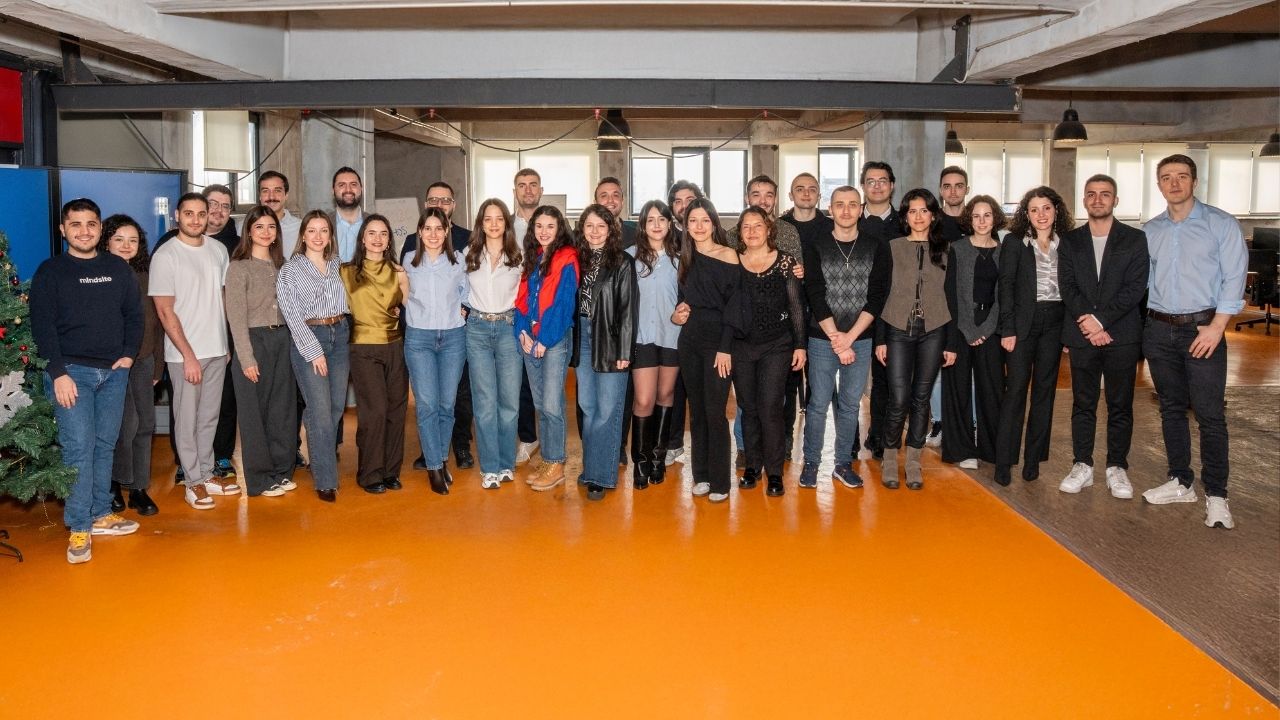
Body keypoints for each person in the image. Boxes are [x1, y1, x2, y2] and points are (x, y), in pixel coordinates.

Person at [32, 198, 143, 564]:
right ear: (63, 230)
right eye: (75, 224)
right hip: (72, 374)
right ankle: (79, 526)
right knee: (79, 449)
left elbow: (134, 315)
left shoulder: (117, 268)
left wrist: (128, 355)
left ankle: (100, 514)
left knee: (104, 445)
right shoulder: (51, 271)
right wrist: (58, 373)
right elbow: (42, 327)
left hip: (113, 373)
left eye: (91, 224)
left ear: (99, 228)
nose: (84, 231)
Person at [1140, 154, 1246, 529]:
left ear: (1195, 182)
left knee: (1209, 414)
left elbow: (1235, 278)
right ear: (1159, 185)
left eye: (1182, 176)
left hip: (1203, 329)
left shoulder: (1221, 224)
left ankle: (1216, 494)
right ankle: (1180, 481)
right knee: (1171, 409)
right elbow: (1142, 283)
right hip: (1158, 329)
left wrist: (1217, 326)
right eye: (1167, 177)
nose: (1174, 183)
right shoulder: (1150, 230)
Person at [1056, 175, 1149, 499]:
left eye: (1105, 194)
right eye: (1091, 194)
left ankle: (1116, 467)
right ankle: (1082, 464)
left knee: (1120, 404)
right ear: (1084, 200)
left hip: (1120, 335)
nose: (1098, 199)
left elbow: (1135, 288)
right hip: (1083, 335)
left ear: (1115, 200)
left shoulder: (1135, 239)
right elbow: (1067, 286)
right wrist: (1089, 323)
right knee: (1083, 403)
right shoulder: (1070, 240)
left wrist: (1101, 321)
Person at [151, 192, 239, 510]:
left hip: (216, 349)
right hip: (184, 355)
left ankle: (206, 472)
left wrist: (225, 343)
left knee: (209, 417)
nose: (196, 219)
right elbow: (164, 311)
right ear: (177, 215)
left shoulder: (218, 250)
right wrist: (187, 355)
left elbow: (223, 299)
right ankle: (192, 481)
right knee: (187, 420)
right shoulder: (166, 254)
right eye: (189, 213)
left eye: (202, 213)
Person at [799, 186, 887, 490]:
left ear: (861, 209)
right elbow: (814, 293)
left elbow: (877, 297)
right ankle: (811, 462)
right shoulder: (816, 246)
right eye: (840, 204)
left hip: (860, 339)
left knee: (850, 406)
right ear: (830, 209)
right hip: (822, 339)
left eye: (852, 205)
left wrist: (850, 337)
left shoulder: (876, 247)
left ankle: (842, 464)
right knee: (818, 404)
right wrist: (837, 338)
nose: (846, 210)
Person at [874, 189, 956, 490]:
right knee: (898, 398)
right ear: (905, 216)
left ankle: (913, 461)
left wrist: (951, 343)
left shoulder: (946, 249)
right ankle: (889, 457)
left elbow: (952, 297)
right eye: (912, 211)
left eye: (924, 211)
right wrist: (880, 339)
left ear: (933, 215)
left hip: (934, 330)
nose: (918, 216)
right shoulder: (892, 248)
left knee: (921, 398)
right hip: (897, 329)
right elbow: (881, 294)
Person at [994, 186, 1072, 486]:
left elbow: (1073, 288)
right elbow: (1006, 286)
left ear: (1056, 210)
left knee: (1045, 393)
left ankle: (1033, 459)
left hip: (1055, 323)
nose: (1041, 215)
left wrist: (1069, 332)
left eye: (1046, 208)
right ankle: (1004, 461)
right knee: (1015, 391)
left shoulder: (1067, 243)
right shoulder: (1015, 242)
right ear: (1026, 213)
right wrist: (1008, 329)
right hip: (1022, 324)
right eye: (1034, 209)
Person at [398, 182, 476, 472]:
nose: (433, 234)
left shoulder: (460, 260)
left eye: (439, 229)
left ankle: (441, 457)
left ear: (447, 231)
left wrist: (463, 309)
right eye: (427, 229)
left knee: (447, 404)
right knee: (427, 404)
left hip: (453, 338)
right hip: (419, 339)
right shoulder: (408, 260)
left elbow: (469, 290)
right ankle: (434, 465)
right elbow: (402, 294)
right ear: (420, 232)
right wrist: (410, 312)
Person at [671, 198, 743, 503]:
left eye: (705, 220)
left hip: (719, 343)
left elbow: (735, 307)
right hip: (689, 340)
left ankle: (721, 482)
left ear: (714, 223)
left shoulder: (729, 255)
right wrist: (677, 315)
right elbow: (681, 300)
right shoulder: (685, 258)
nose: (699, 226)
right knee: (697, 411)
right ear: (685, 226)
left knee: (715, 412)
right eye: (693, 221)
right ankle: (700, 475)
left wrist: (726, 349)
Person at [224, 206, 299, 498]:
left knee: (282, 410)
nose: (266, 232)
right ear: (249, 231)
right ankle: (259, 479)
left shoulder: (284, 265)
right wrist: (246, 357)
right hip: (253, 342)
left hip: (283, 338)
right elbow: (235, 317)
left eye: (271, 227)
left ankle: (282, 471)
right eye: (259, 227)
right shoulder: (238, 267)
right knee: (254, 414)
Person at [276, 211, 350, 502]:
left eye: (324, 231)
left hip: (340, 335)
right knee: (320, 412)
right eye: (312, 231)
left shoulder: (337, 265)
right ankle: (326, 479)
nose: (318, 236)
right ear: (303, 235)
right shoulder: (290, 270)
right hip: (310, 337)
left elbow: (354, 298)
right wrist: (313, 351)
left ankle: (317, 454)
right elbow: (291, 315)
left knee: (334, 409)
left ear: (330, 236)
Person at [732, 206, 806, 497]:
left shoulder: (786, 262)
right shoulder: (732, 262)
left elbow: (796, 307)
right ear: (740, 232)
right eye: (746, 226)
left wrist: (800, 345)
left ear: (768, 229)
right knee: (748, 407)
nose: (752, 231)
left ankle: (774, 472)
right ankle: (752, 466)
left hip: (777, 344)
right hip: (741, 346)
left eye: (758, 226)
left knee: (770, 408)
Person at [572, 204, 637, 500]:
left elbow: (628, 309)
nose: (595, 231)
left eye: (601, 226)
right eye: (589, 226)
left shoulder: (622, 261)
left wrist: (625, 350)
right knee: (588, 407)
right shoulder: (577, 259)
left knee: (608, 409)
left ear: (610, 230)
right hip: (583, 338)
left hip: (610, 339)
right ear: (582, 229)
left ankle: (601, 475)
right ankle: (591, 467)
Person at [341, 214, 410, 495]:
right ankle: (369, 473)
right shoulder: (346, 272)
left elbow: (410, 308)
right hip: (363, 347)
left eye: (383, 233)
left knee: (396, 410)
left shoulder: (399, 272)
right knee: (375, 411)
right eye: (371, 233)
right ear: (362, 238)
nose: (377, 239)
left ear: (389, 240)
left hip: (395, 345)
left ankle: (390, 471)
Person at [100, 215, 164, 517]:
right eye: (119, 239)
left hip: (144, 360)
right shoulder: (100, 276)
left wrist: (158, 366)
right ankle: (114, 483)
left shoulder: (147, 276)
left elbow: (158, 323)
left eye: (133, 240)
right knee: (123, 426)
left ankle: (139, 488)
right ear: (106, 242)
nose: (126, 245)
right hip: (113, 364)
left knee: (146, 424)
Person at [515, 206, 580, 492]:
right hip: (530, 339)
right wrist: (522, 332)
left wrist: (544, 339)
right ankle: (549, 459)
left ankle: (556, 462)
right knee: (541, 404)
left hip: (553, 339)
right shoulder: (533, 258)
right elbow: (521, 300)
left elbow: (564, 305)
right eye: (538, 226)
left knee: (553, 404)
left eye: (550, 226)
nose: (543, 231)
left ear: (559, 229)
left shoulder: (567, 257)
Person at [940, 195, 1006, 471]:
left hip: (992, 326)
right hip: (959, 326)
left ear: (995, 218)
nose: (981, 221)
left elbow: (1005, 294)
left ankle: (991, 449)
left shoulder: (1005, 251)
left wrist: (987, 328)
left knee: (992, 390)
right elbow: (951, 293)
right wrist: (967, 329)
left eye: (987, 215)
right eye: (976, 216)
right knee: (958, 389)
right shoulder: (957, 249)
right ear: (969, 219)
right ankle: (962, 449)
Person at [463, 199, 523, 489]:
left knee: (509, 401)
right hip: (477, 329)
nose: (494, 224)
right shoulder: (469, 254)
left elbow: (525, 296)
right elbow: (458, 288)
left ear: (506, 223)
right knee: (485, 401)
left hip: (508, 327)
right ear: (481, 223)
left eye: (499, 218)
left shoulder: (518, 256)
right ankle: (489, 467)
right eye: (488, 218)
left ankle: (506, 463)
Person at [628, 200, 681, 489]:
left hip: (672, 336)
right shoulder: (629, 257)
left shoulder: (681, 259)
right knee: (644, 400)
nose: (657, 224)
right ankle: (641, 461)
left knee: (665, 394)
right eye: (650, 220)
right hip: (642, 337)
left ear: (670, 224)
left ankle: (659, 459)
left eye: (662, 219)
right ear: (643, 225)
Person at [661, 179, 706, 466]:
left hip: (706, 326)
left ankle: (705, 453)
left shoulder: (712, 236)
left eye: (689, 199)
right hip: (673, 326)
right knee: (674, 389)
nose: (684, 205)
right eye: (678, 201)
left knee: (702, 394)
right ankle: (673, 444)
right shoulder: (665, 238)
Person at [858, 161, 901, 461]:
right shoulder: (849, 220)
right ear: (863, 186)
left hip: (893, 312)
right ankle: (848, 439)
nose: (877, 186)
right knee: (849, 380)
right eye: (870, 181)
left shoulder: (904, 223)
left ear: (892, 185)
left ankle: (881, 437)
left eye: (882, 180)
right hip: (854, 312)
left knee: (886, 379)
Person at [511, 168, 544, 464]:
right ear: (515, 192)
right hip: (514, 312)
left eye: (533, 185)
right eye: (522, 185)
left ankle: (551, 439)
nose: (528, 190)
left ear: (541, 191)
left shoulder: (552, 225)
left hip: (545, 313)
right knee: (520, 380)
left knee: (546, 381)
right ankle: (528, 437)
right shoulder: (505, 227)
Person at [779, 172, 834, 250]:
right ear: (791, 196)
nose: (806, 193)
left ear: (819, 197)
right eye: (800, 190)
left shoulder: (833, 228)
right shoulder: (778, 227)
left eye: (812, 190)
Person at [257, 171, 302, 258]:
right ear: (260, 196)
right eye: (265, 191)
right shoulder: (243, 227)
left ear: (286, 195)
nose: (271, 197)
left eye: (277, 191)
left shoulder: (301, 227)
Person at [332, 166, 365, 263]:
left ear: (361, 189)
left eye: (353, 184)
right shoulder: (322, 223)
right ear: (333, 190)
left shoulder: (376, 224)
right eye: (341, 185)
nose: (348, 190)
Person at [594, 177, 637, 248]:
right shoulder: (581, 236)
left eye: (615, 195)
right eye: (604, 196)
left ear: (622, 202)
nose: (610, 200)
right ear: (595, 203)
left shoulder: (637, 237)